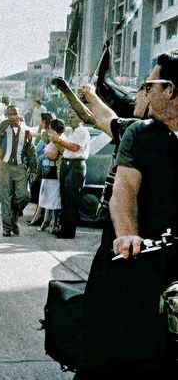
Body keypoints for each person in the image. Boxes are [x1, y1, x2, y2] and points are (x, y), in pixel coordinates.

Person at [78, 54, 178, 376]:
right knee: (113, 351)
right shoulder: (139, 133)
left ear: (171, 91)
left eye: (149, 85)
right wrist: (127, 233)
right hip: (136, 257)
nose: (144, 92)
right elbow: (124, 192)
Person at [49, 111, 89, 239]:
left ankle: (68, 231)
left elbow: (74, 148)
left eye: (73, 116)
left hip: (75, 165)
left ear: (80, 118)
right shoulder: (72, 131)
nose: (69, 119)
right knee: (65, 197)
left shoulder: (82, 131)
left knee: (71, 198)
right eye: (69, 116)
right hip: (67, 164)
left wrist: (59, 140)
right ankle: (64, 227)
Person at [0, 106, 35, 237]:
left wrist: (34, 167)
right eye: (10, 114)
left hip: (19, 167)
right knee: (5, 198)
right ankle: (7, 228)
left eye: (15, 114)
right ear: (7, 115)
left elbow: (31, 150)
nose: (13, 116)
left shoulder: (26, 130)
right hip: (5, 166)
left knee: (24, 196)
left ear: (20, 115)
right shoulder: (3, 127)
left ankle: (14, 218)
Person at [37, 118, 64, 233]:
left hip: (54, 173)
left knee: (54, 200)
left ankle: (53, 224)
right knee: (48, 199)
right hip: (49, 173)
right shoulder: (55, 140)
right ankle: (47, 222)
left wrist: (44, 155)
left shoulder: (59, 140)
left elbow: (54, 155)